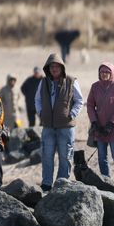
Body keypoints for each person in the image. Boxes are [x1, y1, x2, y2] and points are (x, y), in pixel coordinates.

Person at [34, 53, 85, 192]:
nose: (54, 69)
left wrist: (72, 114)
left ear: (62, 67)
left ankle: (62, 183)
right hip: (48, 127)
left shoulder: (71, 81)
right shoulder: (43, 82)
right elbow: (37, 100)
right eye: (51, 66)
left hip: (66, 127)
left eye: (57, 66)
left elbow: (79, 101)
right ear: (48, 68)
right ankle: (46, 183)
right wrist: (40, 113)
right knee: (47, 156)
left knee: (65, 156)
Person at [87, 62, 114, 183]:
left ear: (112, 73)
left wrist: (112, 122)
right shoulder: (94, 87)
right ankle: (106, 182)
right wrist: (94, 122)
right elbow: (89, 105)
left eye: (107, 72)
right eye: (102, 72)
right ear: (99, 73)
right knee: (101, 157)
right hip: (99, 127)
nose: (104, 74)